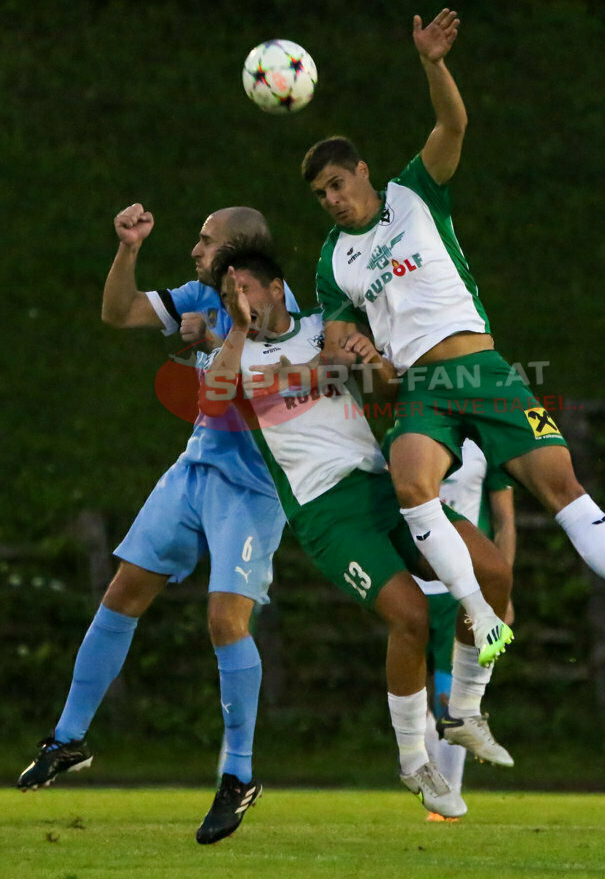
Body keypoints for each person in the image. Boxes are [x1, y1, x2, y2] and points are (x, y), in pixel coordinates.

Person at [302, 7, 605, 658]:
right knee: (412, 484)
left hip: (482, 369)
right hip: (423, 388)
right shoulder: (333, 259)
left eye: (336, 183)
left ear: (362, 172)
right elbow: (335, 337)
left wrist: (434, 64)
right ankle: (482, 617)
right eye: (320, 194)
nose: (331, 199)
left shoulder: (414, 193)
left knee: (560, 482)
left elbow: (452, 124)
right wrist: (351, 350)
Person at [199, 240, 515, 818]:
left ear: (275, 289)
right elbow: (216, 399)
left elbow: (388, 388)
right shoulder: (232, 354)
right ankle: (413, 760)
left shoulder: (326, 326)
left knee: (493, 571)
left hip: (381, 482)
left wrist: (371, 359)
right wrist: (241, 333)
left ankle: (464, 712)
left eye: (244, 289)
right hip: (326, 510)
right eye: (226, 297)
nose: (236, 302)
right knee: (411, 616)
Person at [17, 204, 298, 846]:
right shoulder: (202, 293)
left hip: (253, 491)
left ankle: (239, 776)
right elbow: (118, 313)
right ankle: (68, 740)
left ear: (239, 254)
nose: (195, 249)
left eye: (207, 241)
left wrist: (218, 337)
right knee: (122, 593)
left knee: (226, 621)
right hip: (196, 471)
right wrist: (126, 251)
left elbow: (235, 391)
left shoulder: (282, 313)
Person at [421, 438, 516, 821]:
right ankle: (428, 776)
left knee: (450, 696)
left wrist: (501, 590)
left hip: (459, 588)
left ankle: (448, 799)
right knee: (411, 692)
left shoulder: (486, 447)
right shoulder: (403, 434)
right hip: (410, 579)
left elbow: (506, 522)